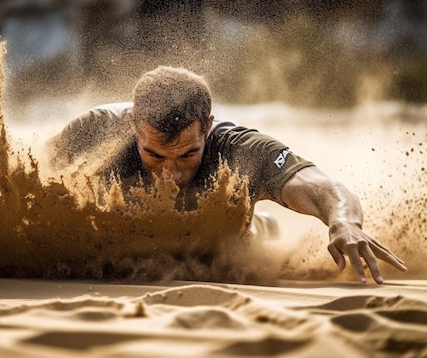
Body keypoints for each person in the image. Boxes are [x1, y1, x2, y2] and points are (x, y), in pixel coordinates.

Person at [48, 66, 407, 284]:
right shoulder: (92, 133)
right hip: (126, 228)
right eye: (154, 155)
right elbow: (25, 173)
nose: (170, 173)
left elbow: (320, 186)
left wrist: (343, 221)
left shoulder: (239, 148)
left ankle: (264, 226)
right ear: (132, 126)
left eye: (188, 154)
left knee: (241, 237)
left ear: (207, 126)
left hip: (224, 237)